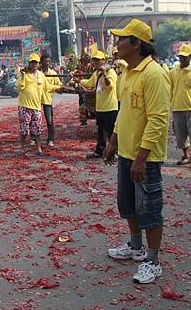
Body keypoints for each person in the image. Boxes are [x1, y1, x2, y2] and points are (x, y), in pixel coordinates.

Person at [103, 19, 170, 284]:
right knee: (128, 204)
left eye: (121, 39)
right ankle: (135, 246)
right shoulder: (128, 73)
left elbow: (158, 119)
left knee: (150, 209)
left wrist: (142, 158)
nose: (117, 43)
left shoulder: (154, 74)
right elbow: (124, 112)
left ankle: (153, 261)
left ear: (136, 44)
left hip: (146, 158)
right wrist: (113, 142)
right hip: (128, 154)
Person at [76, 51, 119, 159]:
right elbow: (89, 83)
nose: (96, 62)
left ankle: (116, 152)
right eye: (94, 60)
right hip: (100, 107)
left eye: (98, 60)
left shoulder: (111, 72)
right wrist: (78, 80)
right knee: (101, 131)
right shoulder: (96, 73)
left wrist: (104, 73)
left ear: (103, 61)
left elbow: (110, 86)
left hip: (110, 107)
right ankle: (100, 150)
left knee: (111, 131)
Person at [17, 54, 60, 156]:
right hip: (25, 106)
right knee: (24, 129)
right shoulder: (25, 74)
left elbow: (47, 87)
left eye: (36, 62)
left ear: (38, 63)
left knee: (37, 129)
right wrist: (22, 76)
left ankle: (39, 149)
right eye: (32, 62)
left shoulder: (41, 75)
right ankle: (22, 148)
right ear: (30, 63)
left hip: (36, 106)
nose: (34, 64)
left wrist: (59, 88)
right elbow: (20, 86)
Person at [169, 44, 191, 166]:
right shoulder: (173, 72)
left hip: (190, 107)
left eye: (185, 57)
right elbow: (169, 88)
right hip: (177, 107)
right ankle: (186, 156)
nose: (182, 59)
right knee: (180, 135)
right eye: (181, 57)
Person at [40, 53, 61, 147]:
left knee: (49, 120)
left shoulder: (52, 73)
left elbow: (59, 84)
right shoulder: (37, 73)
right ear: (41, 62)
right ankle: (33, 138)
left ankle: (51, 138)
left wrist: (55, 88)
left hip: (47, 99)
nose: (47, 63)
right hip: (36, 100)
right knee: (34, 120)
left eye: (48, 61)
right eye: (45, 61)